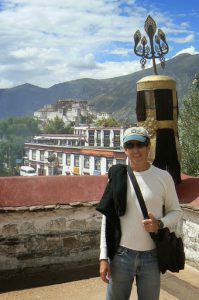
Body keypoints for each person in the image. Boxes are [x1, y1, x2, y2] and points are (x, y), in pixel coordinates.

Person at [96, 126, 183, 300]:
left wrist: (159, 224)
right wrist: (103, 258)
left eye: (140, 144)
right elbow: (108, 218)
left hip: (151, 257)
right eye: (130, 145)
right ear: (125, 149)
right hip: (121, 257)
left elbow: (176, 212)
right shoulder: (117, 176)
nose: (136, 150)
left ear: (148, 147)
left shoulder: (163, 177)